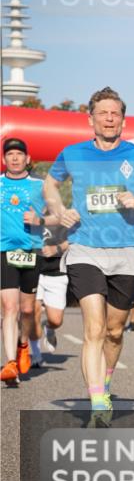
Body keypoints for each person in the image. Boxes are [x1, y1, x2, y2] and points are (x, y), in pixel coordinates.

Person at [43, 86, 134, 425]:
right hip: (85, 248)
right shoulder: (73, 153)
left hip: (127, 252)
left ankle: (106, 380)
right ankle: (98, 401)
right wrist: (59, 209)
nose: (109, 118)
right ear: (91, 119)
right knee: (94, 328)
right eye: (103, 113)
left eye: (115, 113)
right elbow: (49, 185)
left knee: (114, 331)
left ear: (123, 121)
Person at [1, 137, 47, 386]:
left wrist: (41, 220)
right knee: (10, 308)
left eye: (19, 154)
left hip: (31, 251)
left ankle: (23, 344)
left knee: (28, 310)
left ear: (28, 159)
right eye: (10, 154)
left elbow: (58, 215)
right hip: (3, 250)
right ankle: (10, 363)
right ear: (3, 159)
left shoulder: (39, 186)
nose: (15, 158)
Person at [31, 223, 70, 364]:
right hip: (32, 271)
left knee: (56, 320)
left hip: (56, 274)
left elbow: (74, 241)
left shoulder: (61, 218)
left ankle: (49, 328)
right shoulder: (29, 216)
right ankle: (36, 355)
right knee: (32, 312)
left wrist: (57, 248)